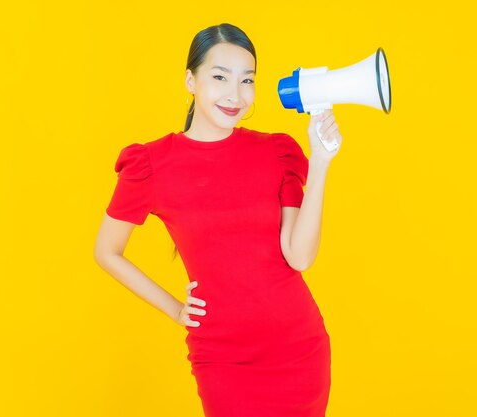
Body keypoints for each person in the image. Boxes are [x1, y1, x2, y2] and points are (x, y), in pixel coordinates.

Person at [93, 22, 342, 417]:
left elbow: (300, 257)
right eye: (219, 77)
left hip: (297, 349)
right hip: (221, 356)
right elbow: (107, 251)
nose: (235, 94)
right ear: (190, 80)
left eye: (247, 80)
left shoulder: (277, 152)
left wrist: (322, 161)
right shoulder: (151, 164)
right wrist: (176, 309)